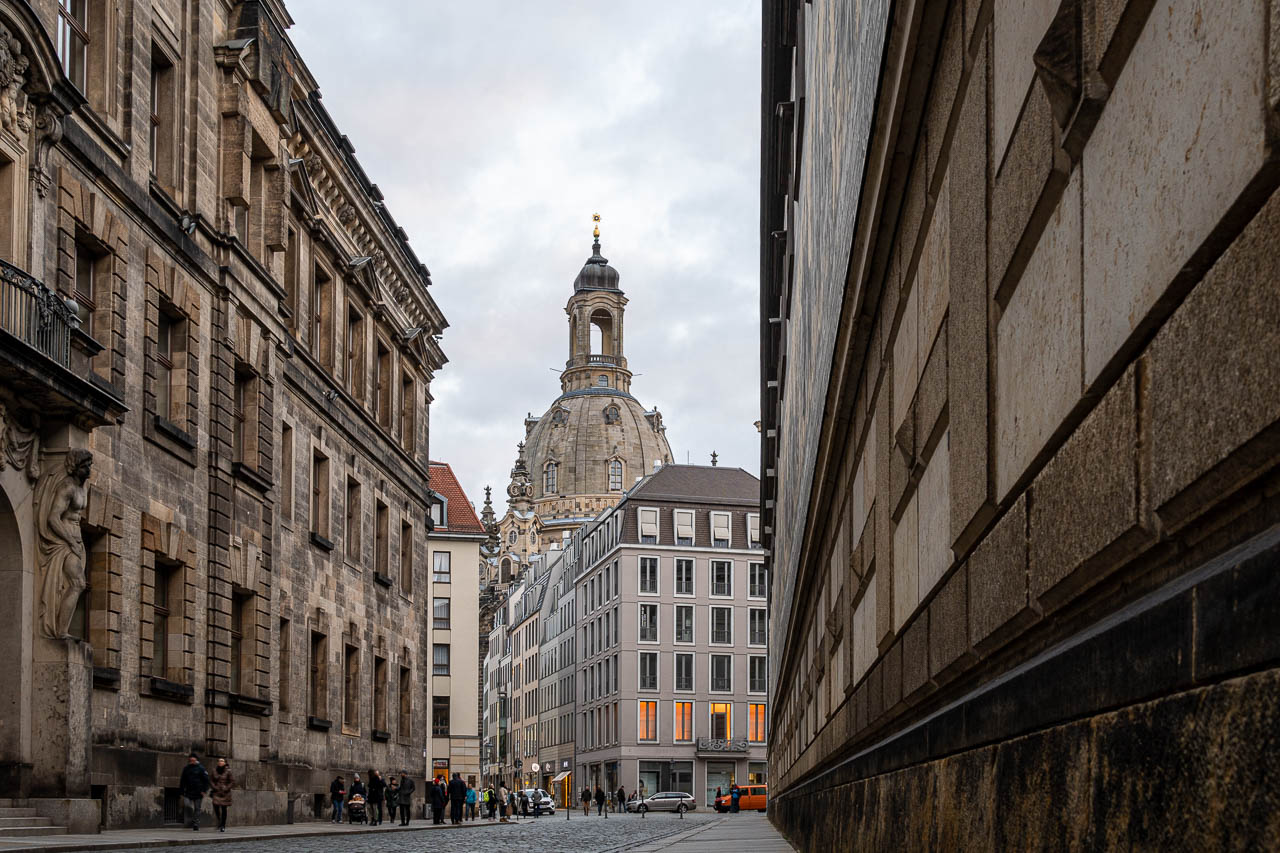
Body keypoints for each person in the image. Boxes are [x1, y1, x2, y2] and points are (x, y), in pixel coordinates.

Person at [179, 753, 211, 831]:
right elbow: (182, 780)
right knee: (187, 805)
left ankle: (196, 823)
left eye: (194, 760)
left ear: (196, 760)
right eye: (191, 760)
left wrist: (204, 790)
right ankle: (191, 819)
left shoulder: (201, 768)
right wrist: (181, 790)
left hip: (198, 792)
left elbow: (206, 781)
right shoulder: (186, 768)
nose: (192, 761)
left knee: (197, 808)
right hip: (188, 791)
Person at [210, 758, 234, 833]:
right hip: (216, 792)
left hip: (225, 793)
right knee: (215, 805)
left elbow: (232, 781)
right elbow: (211, 780)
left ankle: (223, 825)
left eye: (222, 761)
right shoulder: (214, 770)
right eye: (219, 761)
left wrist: (227, 788)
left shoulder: (228, 771)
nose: (220, 762)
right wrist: (214, 787)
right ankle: (219, 820)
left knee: (224, 809)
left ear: (225, 763)